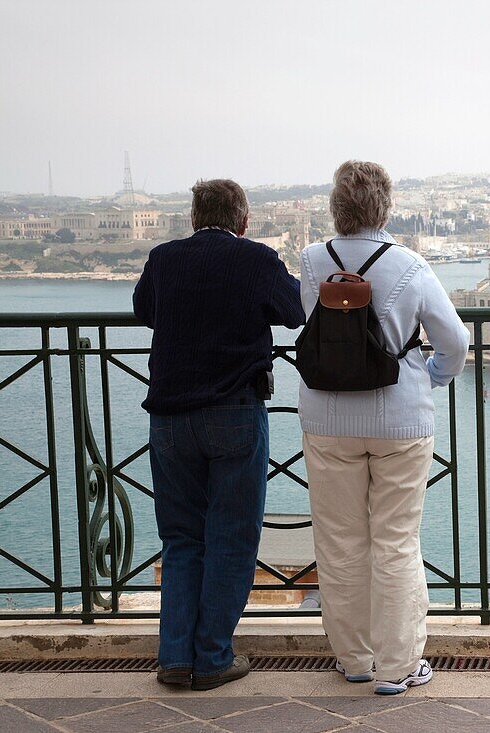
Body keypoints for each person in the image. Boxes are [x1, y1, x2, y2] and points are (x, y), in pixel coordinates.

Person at [299, 161, 468, 694]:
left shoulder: (308, 261)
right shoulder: (410, 265)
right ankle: (398, 668)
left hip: (326, 418)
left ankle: (354, 659)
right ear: (385, 206)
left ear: (336, 206)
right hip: (400, 420)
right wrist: (430, 378)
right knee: (395, 540)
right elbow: (455, 343)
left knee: (340, 541)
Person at [134, 179, 305, 691]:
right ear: (244, 220)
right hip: (233, 410)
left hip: (168, 417)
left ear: (192, 218)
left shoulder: (164, 259)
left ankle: (174, 658)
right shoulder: (257, 259)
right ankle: (211, 657)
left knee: (182, 537)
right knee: (231, 536)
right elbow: (295, 312)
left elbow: (145, 311)